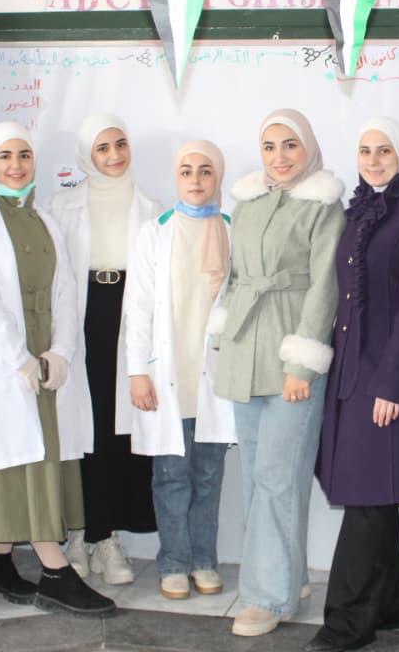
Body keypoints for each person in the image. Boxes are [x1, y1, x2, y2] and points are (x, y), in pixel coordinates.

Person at [0, 121, 115, 618]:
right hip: (5, 358)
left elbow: (67, 289)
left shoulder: (45, 217)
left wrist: (61, 352)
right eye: (5, 156)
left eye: (24, 155)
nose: (16, 165)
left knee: (36, 452)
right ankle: (54, 571)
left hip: (47, 358)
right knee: (21, 457)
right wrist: (19, 357)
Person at [307, 118, 399, 652]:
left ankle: (346, 624)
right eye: (364, 150)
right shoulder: (357, 214)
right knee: (375, 491)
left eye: (383, 150)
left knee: (367, 498)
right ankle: (391, 606)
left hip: (391, 377)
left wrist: (391, 384)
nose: (372, 159)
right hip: (352, 373)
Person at [212, 109, 345, 637]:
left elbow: (325, 287)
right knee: (258, 477)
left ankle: (267, 596)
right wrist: (223, 338)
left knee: (277, 477)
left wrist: (302, 364)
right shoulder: (247, 202)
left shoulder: (324, 205)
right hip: (245, 353)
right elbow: (235, 276)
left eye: (290, 145)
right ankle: (287, 575)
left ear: (308, 147)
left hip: (292, 355)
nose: (280, 156)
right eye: (269, 146)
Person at [49, 114, 163, 584]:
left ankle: (108, 538)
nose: (114, 155)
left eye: (120, 144)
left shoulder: (152, 208)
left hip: (129, 317)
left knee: (119, 434)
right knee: (83, 429)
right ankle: (78, 535)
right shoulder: (61, 206)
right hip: (81, 317)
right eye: (102, 147)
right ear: (86, 154)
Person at [124, 140, 237, 601]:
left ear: (218, 177)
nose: (195, 179)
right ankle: (173, 563)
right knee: (171, 475)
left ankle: (204, 560)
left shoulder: (231, 230)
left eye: (205, 171)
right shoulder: (154, 232)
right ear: (176, 176)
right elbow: (137, 307)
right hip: (167, 374)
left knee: (208, 476)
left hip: (214, 376)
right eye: (186, 170)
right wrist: (137, 372)